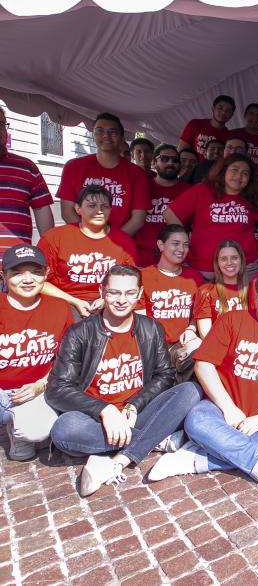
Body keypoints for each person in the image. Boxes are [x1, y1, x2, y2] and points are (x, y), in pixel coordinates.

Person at [47, 265, 201, 496]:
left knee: (190, 390)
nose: (122, 300)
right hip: (95, 419)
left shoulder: (150, 328)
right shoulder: (80, 333)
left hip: (137, 412)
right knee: (64, 430)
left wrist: (135, 404)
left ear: (139, 294)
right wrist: (104, 409)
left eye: (129, 293)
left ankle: (113, 460)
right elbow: (57, 389)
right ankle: (155, 438)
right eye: (114, 293)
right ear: (102, 293)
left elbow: (165, 375)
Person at [148, 270, 258, 486]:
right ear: (255, 297)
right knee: (197, 421)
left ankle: (194, 459)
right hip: (218, 408)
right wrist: (228, 408)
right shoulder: (233, 320)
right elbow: (203, 365)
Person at [0, 245, 73, 460]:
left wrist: (42, 383)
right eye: (17, 273)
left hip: (34, 390)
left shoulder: (59, 308)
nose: (28, 279)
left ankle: (18, 432)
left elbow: (67, 359)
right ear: (3, 276)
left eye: (36, 272)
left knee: (37, 429)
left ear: (46, 274)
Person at [165, 153, 258, 280]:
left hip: (243, 267)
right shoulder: (202, 190)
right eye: (235, 170)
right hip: (202, 268)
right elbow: (170, 214)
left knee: (239, 301)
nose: (239, 176)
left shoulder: (253, 197)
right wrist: (183, 241)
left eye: (245, 173)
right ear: (223, 170)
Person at [38, 185, 137, 318]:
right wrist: (74, 301)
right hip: (65, 301)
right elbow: (38, 280)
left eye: (105, 206)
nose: (99, 211)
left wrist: (106, 299)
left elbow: (132, 280)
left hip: (109, 302)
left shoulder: (123, 241)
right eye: (92, 205)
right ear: (78, 209)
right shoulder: (55, 237)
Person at [57, 113, 151, 236]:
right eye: (100, 131)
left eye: (113, 132)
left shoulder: (137, 174)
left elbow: (138, 219)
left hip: (119, 245)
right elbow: (67, 211)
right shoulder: (73, 167)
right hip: (81, 241)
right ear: (93, 135)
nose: (106, 136)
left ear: (122, 138)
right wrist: (89, 237)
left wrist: (111, 242)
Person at [137, 226, 205, 380]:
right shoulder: (143, 276)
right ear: (161, 245)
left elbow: (200, 312)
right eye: (175, 243)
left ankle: (183, 387)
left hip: (180, 346)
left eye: (186, 245)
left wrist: (191, 328)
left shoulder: (194, 277)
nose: (181, 249)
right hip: (152, 345)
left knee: (199, 346)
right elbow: (139, 320)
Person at [0, 107, 54, 256]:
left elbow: (42, 209)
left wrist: (47, 252)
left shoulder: (26, 167)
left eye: (1, 124)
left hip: (17, 268)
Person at [135, 144, 191, 267]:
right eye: (164, 159)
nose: (171, 163)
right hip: (140, 255)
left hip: (175, 257)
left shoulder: (189, 191)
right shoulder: (142, 186)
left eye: (175, 160)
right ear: (154, 162)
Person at [194, 241, 250, 339]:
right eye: (224, 259)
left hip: (247, 346)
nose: (229, 263)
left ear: (241, 260)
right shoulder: (205, 291)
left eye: (234, 258)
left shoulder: (253, 289)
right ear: (217, 263)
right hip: (217, 347)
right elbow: (205, 335)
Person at [177, 94, 236, 159]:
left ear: (232, 115)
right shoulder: (195, 124)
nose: (223, 113)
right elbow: (181, 151)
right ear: (213, 108)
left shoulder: (229, 137)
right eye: (220, 108)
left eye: (228, 111)